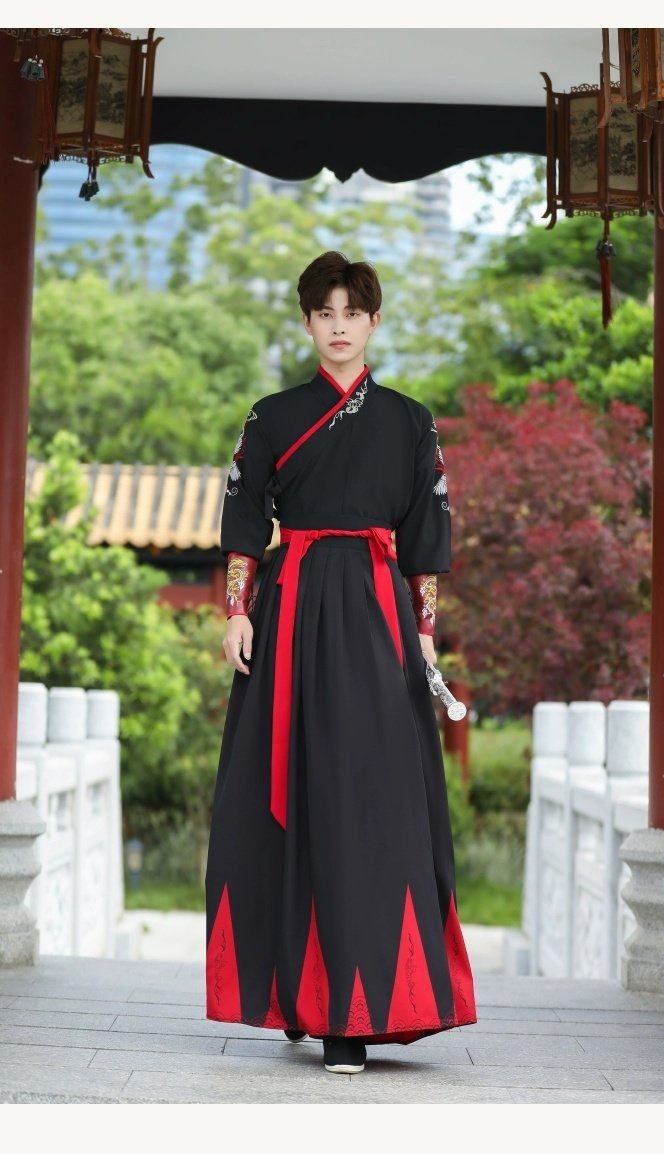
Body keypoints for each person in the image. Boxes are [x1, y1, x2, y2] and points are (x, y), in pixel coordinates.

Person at [204, 250, 476, 1076]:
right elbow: (243, 521)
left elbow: (426, 541)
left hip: (378, 615)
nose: (338, 327)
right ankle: (299, 993)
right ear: (307, 323)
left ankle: (357, 1009)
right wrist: (236, 612)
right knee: (287, 793)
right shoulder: (271, 416)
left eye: (352, 313)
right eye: (324, 313)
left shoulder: (410, 421)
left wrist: (423, 633)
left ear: (374, 322)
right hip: (289, 612)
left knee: (372, 797)